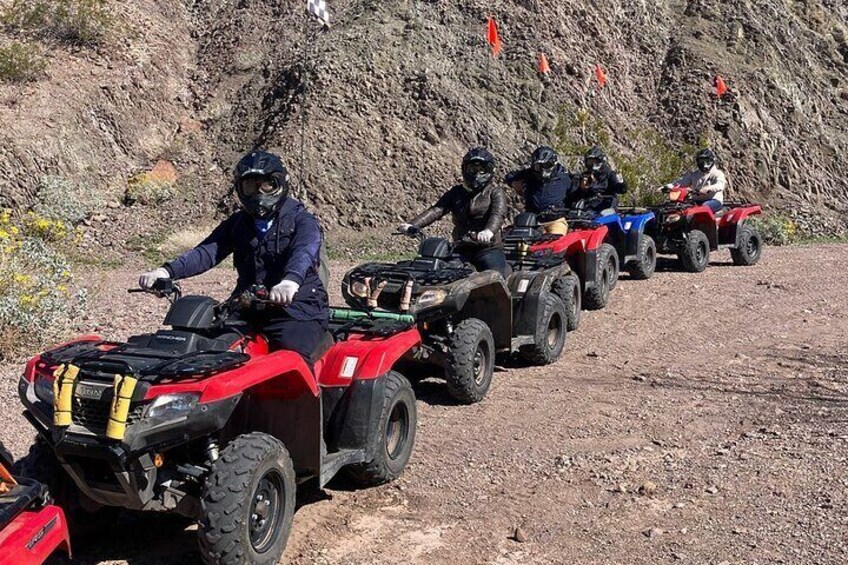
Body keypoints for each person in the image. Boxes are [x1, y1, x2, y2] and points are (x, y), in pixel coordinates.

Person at [138, 150, 329, 362]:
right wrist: (167, 271)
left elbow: (305, 251)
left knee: (291, 360)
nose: (259, 193)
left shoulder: (302, 221)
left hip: (296, 310)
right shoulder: (238, 223)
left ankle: (306, 395)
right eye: (250, 187)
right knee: (207, 348)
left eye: (266, 185)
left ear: (280, 184)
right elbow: (207, 252)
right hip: (247, 307)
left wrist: (291, 281)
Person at [398, 147, 508, 275]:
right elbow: (437, 210)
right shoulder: (456, 192)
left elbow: (498, 214)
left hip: (488, 249)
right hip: (461, 248)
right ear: (465, 169)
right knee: (442, 273)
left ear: (489, 171)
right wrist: (412, 225)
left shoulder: (495, 192)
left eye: (482, 170)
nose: (477, 173)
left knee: (495, 275)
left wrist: (489, 231)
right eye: (473, 169)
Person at [504, 146, 573, 235]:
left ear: (553, 163)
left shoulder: (565, 177)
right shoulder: (530, 173)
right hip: (532, 220)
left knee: (556, 242)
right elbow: (510, 175)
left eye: (545, 165)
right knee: (519, 243)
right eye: (538, 166)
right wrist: (514, 183)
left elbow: (577, 193)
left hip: (555, 221)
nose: (542, 170)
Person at [663, 148, 726, 212]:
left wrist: (708, 188)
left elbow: (720, 185)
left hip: (714, 200)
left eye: (707, 161)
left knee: (703, 208)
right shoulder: (694, 175)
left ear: (712, 161)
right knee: (678, 208)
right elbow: (680, 183)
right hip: (696, 201)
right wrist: (667, 186)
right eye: (701, 161)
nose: (704, 164)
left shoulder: (717, 173)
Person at [570, 146, 628, 211]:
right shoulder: (584, 176)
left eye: (595, 162)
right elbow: (574, 195)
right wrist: (582, 188)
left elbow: (621, 189)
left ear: (601, 161)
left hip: (605, 207)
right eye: (590, 162)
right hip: (588, 208)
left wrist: (621, 183)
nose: (592, 165)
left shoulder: (609, 174)